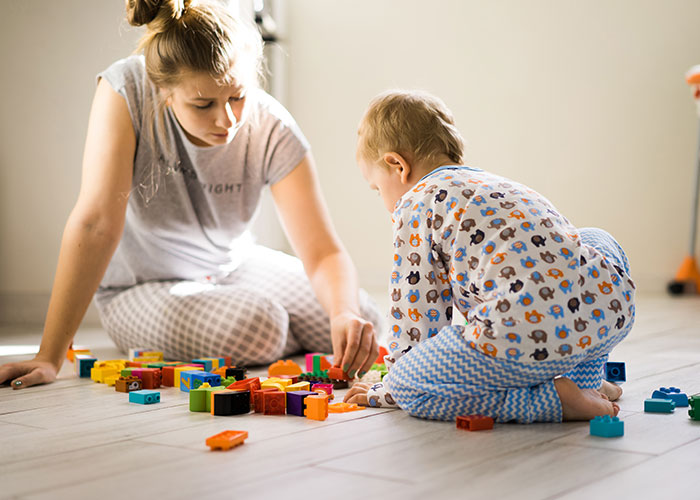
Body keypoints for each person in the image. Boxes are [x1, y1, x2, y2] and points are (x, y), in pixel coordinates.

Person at [0, 0, 381, 390]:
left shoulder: (271, 125)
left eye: (237, 97)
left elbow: (322, 251)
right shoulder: (127, 90)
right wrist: (48, 356)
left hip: (232, 267)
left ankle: (282, 325)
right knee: (260, 325)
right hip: (139, 287)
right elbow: (96, 224)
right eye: (203, 104)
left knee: (362, 318)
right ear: (164, 92)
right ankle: (273, 331)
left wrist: (343, 313)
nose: (227, 119)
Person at [344, 90, 636, 422]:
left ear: (397, 165)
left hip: (526, 331)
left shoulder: (416, 202)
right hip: (609, 309)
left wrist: (392, 386)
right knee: (594, 238)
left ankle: (554, 401)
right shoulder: (492, 183)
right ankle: (587, 381)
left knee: (410, 385)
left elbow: (416, 314)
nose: (383, 200)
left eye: (377, 189)